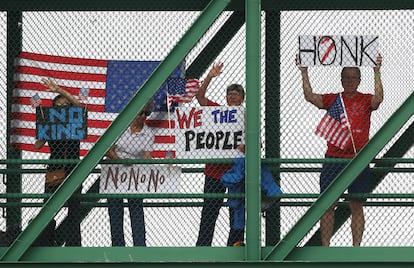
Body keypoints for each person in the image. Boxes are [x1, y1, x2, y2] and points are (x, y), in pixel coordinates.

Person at [296, 54, 384, 246]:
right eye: (346, 77)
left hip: (358, 159)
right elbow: (311, 97)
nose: (350, 81)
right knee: (328, 204)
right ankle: (326, 246)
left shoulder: (365, 99)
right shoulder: (334, 99)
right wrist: (304, 73)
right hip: (334, 158)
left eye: (353, 78)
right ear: (341, 80)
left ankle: (356, 247)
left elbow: (378, 99)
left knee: (356, 205)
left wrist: (377, 72)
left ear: (359, 81)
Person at [195, 63, 246, 246]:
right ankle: (203, 246)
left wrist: (247, 146)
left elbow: (254, 143)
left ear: (242, 99)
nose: (232, 96)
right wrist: (210, 76)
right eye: (229, 94)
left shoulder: (247, 116)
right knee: (210, 209)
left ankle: (236, 243)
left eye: (236, 94)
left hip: (236, 171)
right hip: (215, 170)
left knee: (237, 207)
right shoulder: (217, 111)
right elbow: (199, 97)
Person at [34, 77, 82, 246]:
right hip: (54, 167)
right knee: (48, 207)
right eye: (58, 107)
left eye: (66, 106)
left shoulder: (75, 123)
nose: (63, 109)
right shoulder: (51, 123)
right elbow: (37, 145)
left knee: (74, 210)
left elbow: (79, 106)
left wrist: (59, 90)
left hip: (73, 168)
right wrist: (44, 126)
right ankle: (47, 241)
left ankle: (73, 245)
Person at [105, 100, 155, 246]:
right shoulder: (121, 127)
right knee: (115, 211)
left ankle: (139, 246)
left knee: (136, 209)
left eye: (146, 113)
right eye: (140, 112)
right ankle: (118, 246)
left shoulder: (148, 133)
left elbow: (147, 156)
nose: (142, 116)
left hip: (134, 175)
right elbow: (107, 149)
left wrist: (143, 163)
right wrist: (121, 160)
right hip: (114, 173)